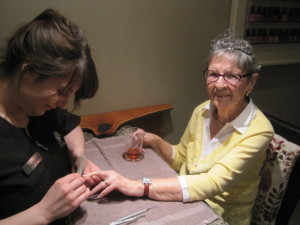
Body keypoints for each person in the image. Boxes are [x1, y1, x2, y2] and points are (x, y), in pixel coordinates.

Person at [85, 29, 274, 225]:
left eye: (232, 76)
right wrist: (155, 140)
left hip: (218, 217)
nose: (219, 84)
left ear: (252, 82)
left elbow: (213, 182)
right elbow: (182, 158)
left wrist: (137, 186)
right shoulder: (202, 111)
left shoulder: (259, 131)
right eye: (213, 74)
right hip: (185, 200)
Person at [0, 8, 100, 225]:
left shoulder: (40, 107)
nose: (63, 104)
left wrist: (78, 155)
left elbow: (69, 126)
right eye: (61, 91)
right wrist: (43, 213)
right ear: (29, 71)